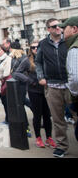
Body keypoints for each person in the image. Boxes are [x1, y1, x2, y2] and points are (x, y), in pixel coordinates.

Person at [36, 18, 69, 158]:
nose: (58, 28)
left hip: (70, 85)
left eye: (60, 25)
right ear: (48, 29)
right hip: (53, 86)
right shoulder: (43, 44)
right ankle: (62, 146)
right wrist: (41, 77)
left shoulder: (68, 41)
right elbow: (38, 62)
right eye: (54, 26)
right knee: (58, 119)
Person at [13, 40, 56, 148]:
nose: (36, 49)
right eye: (33, 47)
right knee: (37, 115)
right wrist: (29, 81)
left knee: (47, 115)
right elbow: (17, 73)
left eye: (37, 47)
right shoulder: (27, 61)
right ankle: (38, 138)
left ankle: (49, 137)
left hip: (47, 90)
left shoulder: (46, 58)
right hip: (34, 91)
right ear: (30, 49)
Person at [59, 16, 78, 141]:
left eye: (65, 28)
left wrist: (74, 94)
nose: (62, 31)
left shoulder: (74, 49)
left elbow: (75, 78)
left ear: (74, 29)